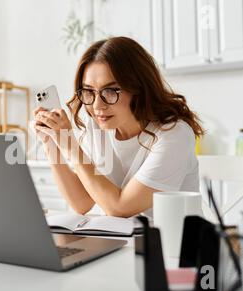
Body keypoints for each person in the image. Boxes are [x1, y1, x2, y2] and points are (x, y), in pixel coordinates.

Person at [34, 36, 204, 219]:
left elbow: (120, 207)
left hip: (172, 243)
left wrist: (69, 145)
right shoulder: (99, 126)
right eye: (89, 91)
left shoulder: (174, 134)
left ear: (138, 88)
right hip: (121, 241)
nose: (98, 106)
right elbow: (81, 203)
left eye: (110, 90)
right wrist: (51, 143)